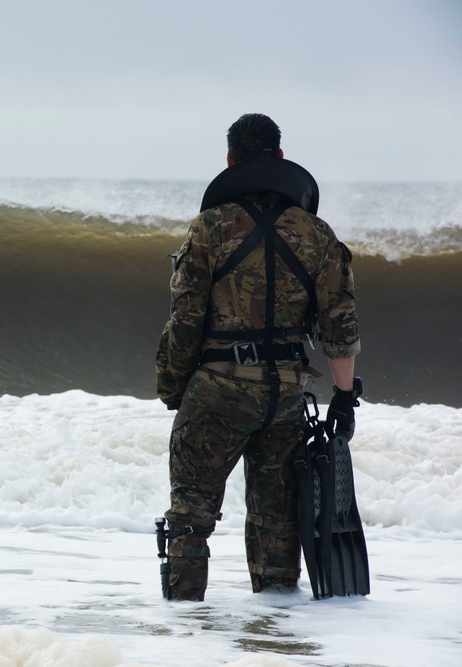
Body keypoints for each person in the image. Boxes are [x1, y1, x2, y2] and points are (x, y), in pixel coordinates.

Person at [154, 113, 361, 601]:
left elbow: (185, 321)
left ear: (229, 160)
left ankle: (182, 633)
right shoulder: (316, 234)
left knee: (189, 519)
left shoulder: (208, 229)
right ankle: (275, 638)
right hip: (286, 396)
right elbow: (340, 327)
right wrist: (346, 398)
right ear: (281, 158)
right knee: (278, 525)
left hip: (218, 389)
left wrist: (171, 386)